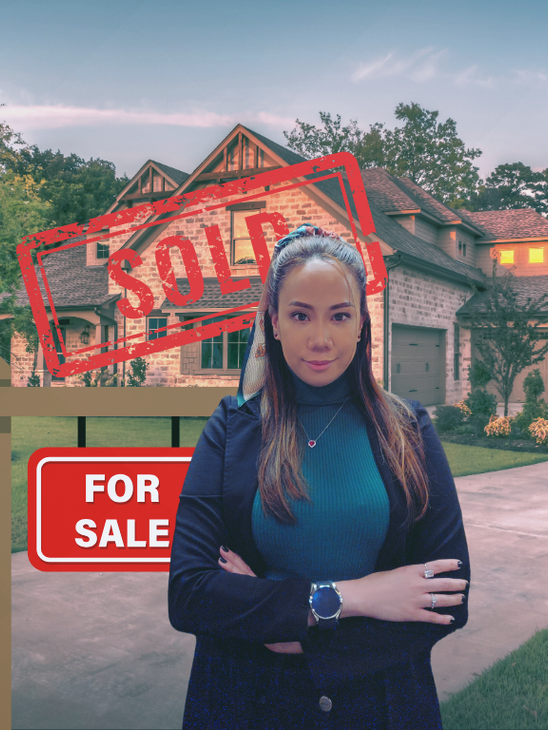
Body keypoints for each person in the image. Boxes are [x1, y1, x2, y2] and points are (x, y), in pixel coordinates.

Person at [168, 224, 470, 730]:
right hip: (245, 703)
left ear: (361, 326)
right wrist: (353, 598)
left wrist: (290, 628)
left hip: (383, 705)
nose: (321, 338)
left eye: (340, 316)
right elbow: (191, 594)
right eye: (301, 315)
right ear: (275, 323)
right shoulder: (232, 427)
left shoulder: (408, 429)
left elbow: (448, 595)